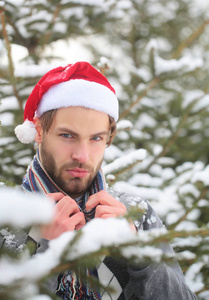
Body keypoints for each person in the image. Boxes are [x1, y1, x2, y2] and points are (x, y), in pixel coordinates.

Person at [13, 61, 197, 300]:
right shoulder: (8, 218)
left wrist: (138, 252)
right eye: (67, 135)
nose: (82, 155)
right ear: (38, 131)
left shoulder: (135, 215)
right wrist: (48, 252)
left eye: (96, 138)